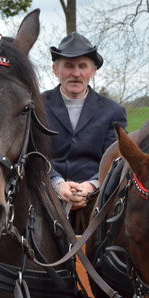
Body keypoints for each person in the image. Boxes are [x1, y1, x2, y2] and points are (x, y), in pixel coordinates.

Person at [42, 32, 127, 228]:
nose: (76, 73)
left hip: (99, 201)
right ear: (56, 69)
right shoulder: (38, 105)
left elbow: (117, 158)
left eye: (82, 66)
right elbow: (33, 153)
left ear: (93, 70)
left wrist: (91, 185)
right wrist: (57, 184)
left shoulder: (113, 111)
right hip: (46, 199)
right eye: (69, 66)